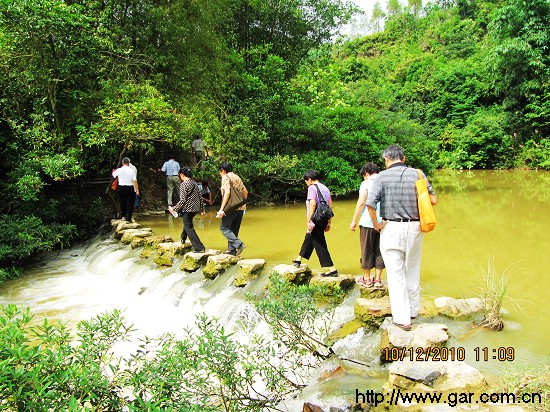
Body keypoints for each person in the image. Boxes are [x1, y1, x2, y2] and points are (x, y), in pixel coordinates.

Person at [366, 145, 437, 331]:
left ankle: (402, 319)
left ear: (386, 159)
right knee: (412, 268)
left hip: (391, 227)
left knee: (395, 274)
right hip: (415, 227)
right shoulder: (418, 174)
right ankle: (413, 311)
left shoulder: (382, 176)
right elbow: (433, 200)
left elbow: (370, 204)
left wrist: (376, 225)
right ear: (403, 158)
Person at [292, 170, 338, 277]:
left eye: (306, 181)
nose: (306, 183)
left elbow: (312, 204)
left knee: (319, 242)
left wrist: (309, 220)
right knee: (310, 236)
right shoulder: (325, 188)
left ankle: (332, 269)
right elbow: (330, 205)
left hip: (316, 218)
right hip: (324, 218)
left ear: (309, 179)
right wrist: (329, 222)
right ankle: (299, 259)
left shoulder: (312, 188)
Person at [350, 162, 385, 288]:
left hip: (368, 222)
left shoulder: (366, 183)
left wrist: (354, 220)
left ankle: (367, 279)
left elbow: (361, 202)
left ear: (366, 173)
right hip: (383, 223)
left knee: (366, 250)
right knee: (380, 250)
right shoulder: (385, 181)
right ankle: (378, 280)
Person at [168, 167, 206, 253]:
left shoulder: (183, 185)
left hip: (188, 209)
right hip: (195, 209)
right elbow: (200, 196)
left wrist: (173, 209)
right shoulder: (194, 183)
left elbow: (182, 200)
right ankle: (183, 238)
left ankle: (199, 247)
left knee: (189, 227)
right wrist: (203, 209)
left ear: (182, 174)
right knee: (187, 223)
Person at [215, 162, 247, 256]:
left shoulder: (225, 177)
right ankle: (231, 250)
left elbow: (227, 193)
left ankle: (239, 244)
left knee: (224, 228)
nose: (220, 174)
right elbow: (245, 192)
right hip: (241, 206)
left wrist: (221, 209)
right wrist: (242, 204)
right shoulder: (237, 177)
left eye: (220, 171)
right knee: (233, 229)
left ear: (223, 171)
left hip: (231, 207)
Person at [112, 157, 139, 222]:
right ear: (128, 163)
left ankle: (123, 216)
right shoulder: (131, 170)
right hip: (130, 187)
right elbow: (135, 181)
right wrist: (137, 190)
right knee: (130, 203)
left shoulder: (119, 170)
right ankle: (128, 217)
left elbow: (114, 175)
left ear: (122, 163)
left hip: (121, 187)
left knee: (122, 202)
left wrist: (113, 172)